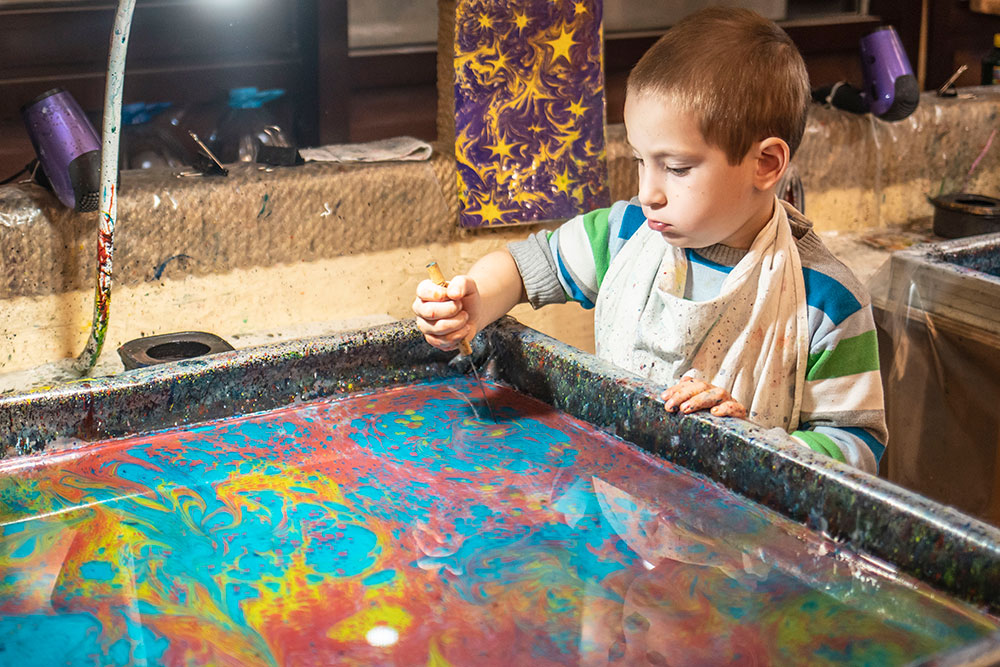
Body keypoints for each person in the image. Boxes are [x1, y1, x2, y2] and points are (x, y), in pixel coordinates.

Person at [413, 7, 886, 474]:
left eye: (676, 168)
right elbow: (527, 266)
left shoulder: (826, 300)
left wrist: (752, 443)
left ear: (765, 164)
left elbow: (856, 448)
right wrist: (474, 303)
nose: (647, 193)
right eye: (641, 161)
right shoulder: (626, 234)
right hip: (622, 495)